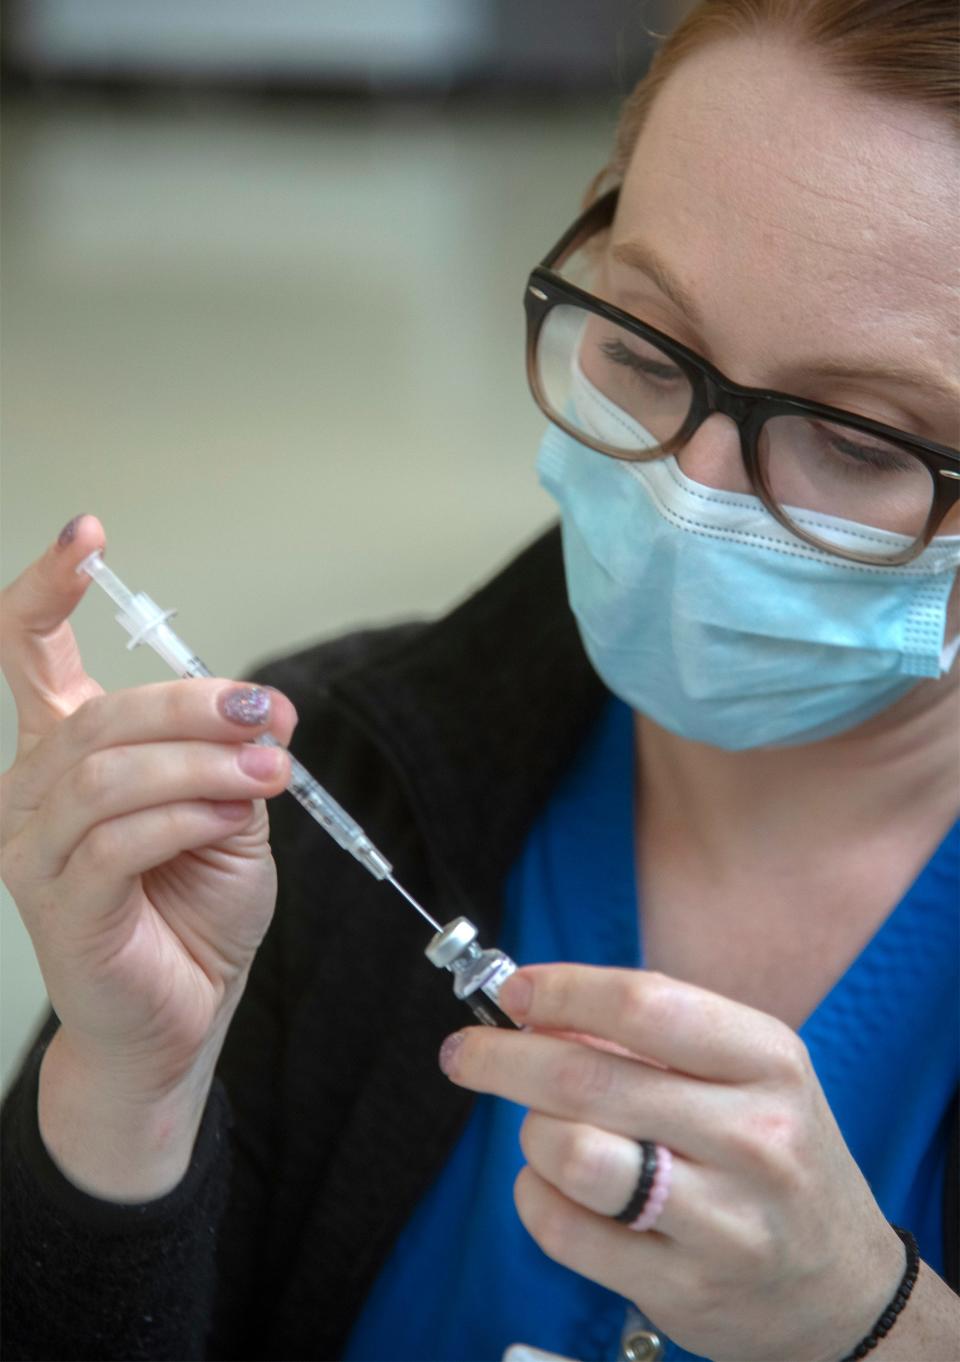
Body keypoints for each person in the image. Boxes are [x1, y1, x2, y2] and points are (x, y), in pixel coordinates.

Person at [2, 2, 959, 1359]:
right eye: (642, 345)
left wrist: (879, 1325)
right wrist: (126, 1103)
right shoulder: (341, 776)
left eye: (856, 441)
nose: (687, 496)